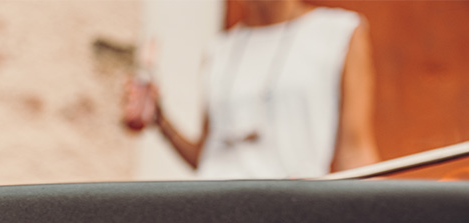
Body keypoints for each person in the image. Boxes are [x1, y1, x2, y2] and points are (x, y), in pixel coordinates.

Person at [125, 0, 380, 178]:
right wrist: (161, 121)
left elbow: (354, 151)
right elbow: (209, 158)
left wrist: (379, 219)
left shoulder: (338, 33)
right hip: (213, 211)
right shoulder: (219, 50)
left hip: (289, 212)